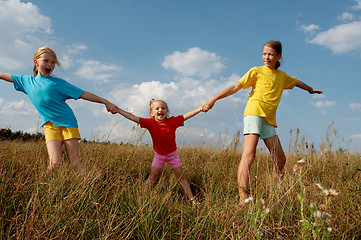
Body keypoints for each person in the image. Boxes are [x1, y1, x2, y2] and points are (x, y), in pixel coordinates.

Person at [202, 40, 323, 203]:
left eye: (271, 54)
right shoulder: (256, 71)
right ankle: (243, 199)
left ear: (278, 56)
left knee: (280, 159)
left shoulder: (282, 77)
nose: (267, 57)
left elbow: (297, 82)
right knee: (249, 155)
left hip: (269, 119)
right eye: (264, 53)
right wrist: (214, 99)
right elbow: (235, 86)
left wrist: (310, 89)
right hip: (254, 112)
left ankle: (277, 192)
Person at [0, 46, 118, 172]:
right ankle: (46, 189)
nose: (49, 65)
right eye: (46, 61)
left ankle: (88, 186)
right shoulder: (26, 81)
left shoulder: (59, 83)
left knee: (75, 161)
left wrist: (105, 101)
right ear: (36, 62)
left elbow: (83, 94)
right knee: (55, 163)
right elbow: (2, 75)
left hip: (68, 123)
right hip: (49, 126)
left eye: (53, 62)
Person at [116, 99, 202, 205]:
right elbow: (133, 117)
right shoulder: (150, 123)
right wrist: (118, 110)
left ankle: (192, 199)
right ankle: (143, 198)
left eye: (163, 108)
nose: (160, 110)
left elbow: (187, 115)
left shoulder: (173, 121)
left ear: (167, 111)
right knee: (153, 176)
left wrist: (200, 108)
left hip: (172, 155)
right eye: (157, 108)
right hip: (159, 156)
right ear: (152, 113)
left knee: (181, 176)